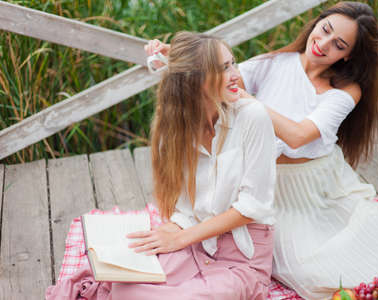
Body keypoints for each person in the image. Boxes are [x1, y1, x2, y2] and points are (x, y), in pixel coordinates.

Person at [145, 2, 378, 299]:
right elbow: (218, 77)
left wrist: (248, 99)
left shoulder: (347, 91)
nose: (323, 44)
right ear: (316, 24)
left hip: (316, 188)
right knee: (311, 277)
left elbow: (298, 136)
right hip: (271, 185)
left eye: (338, 44)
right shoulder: (276, 62)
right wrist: (180, 56)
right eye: (324, 30)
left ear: (348, 54)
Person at [46, 31, 277, 300]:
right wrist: (174, 229)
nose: (236, 74)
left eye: (232, 63)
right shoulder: (177, 131)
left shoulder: (253, 117)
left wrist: (181, 238)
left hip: (240, 259)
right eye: (223, 68)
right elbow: (185, 207)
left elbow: (253, 206)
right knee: (124, 285)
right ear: (195, 81)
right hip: (196, 243)